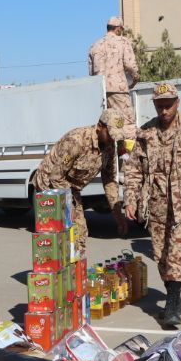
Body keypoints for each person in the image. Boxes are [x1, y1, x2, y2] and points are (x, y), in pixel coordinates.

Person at [124, 83, 181, 329]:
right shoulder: (146, 133)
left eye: (168, 105)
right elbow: (134, 170)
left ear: (177, 103)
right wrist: (130, 199)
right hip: (155, 203)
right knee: (161, 254)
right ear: (154, 105)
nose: (164, 110)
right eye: (160, 106)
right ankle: (172, 292)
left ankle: (173, 303)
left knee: (176, 252)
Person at [32, 109, 131, 258]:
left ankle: (75, 269)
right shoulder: (77, 140)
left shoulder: (109, 147)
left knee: (79, 232)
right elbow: (56, 175)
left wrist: (117, 214)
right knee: (60, 231)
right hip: (48, 184)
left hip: (70, 188)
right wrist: (68, 205)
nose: (113, 140)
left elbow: (110, 180)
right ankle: (52, 268)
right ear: (100, 127)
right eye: (110, 134)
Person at [88, 16, 139, 123]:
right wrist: (135, 77)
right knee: (126, 123)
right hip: (118, 91)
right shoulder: (123, 41)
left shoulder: (95, 45)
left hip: (99, 92)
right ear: (118, 28)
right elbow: (130, 64)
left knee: (106, 127)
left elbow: (91, 73)